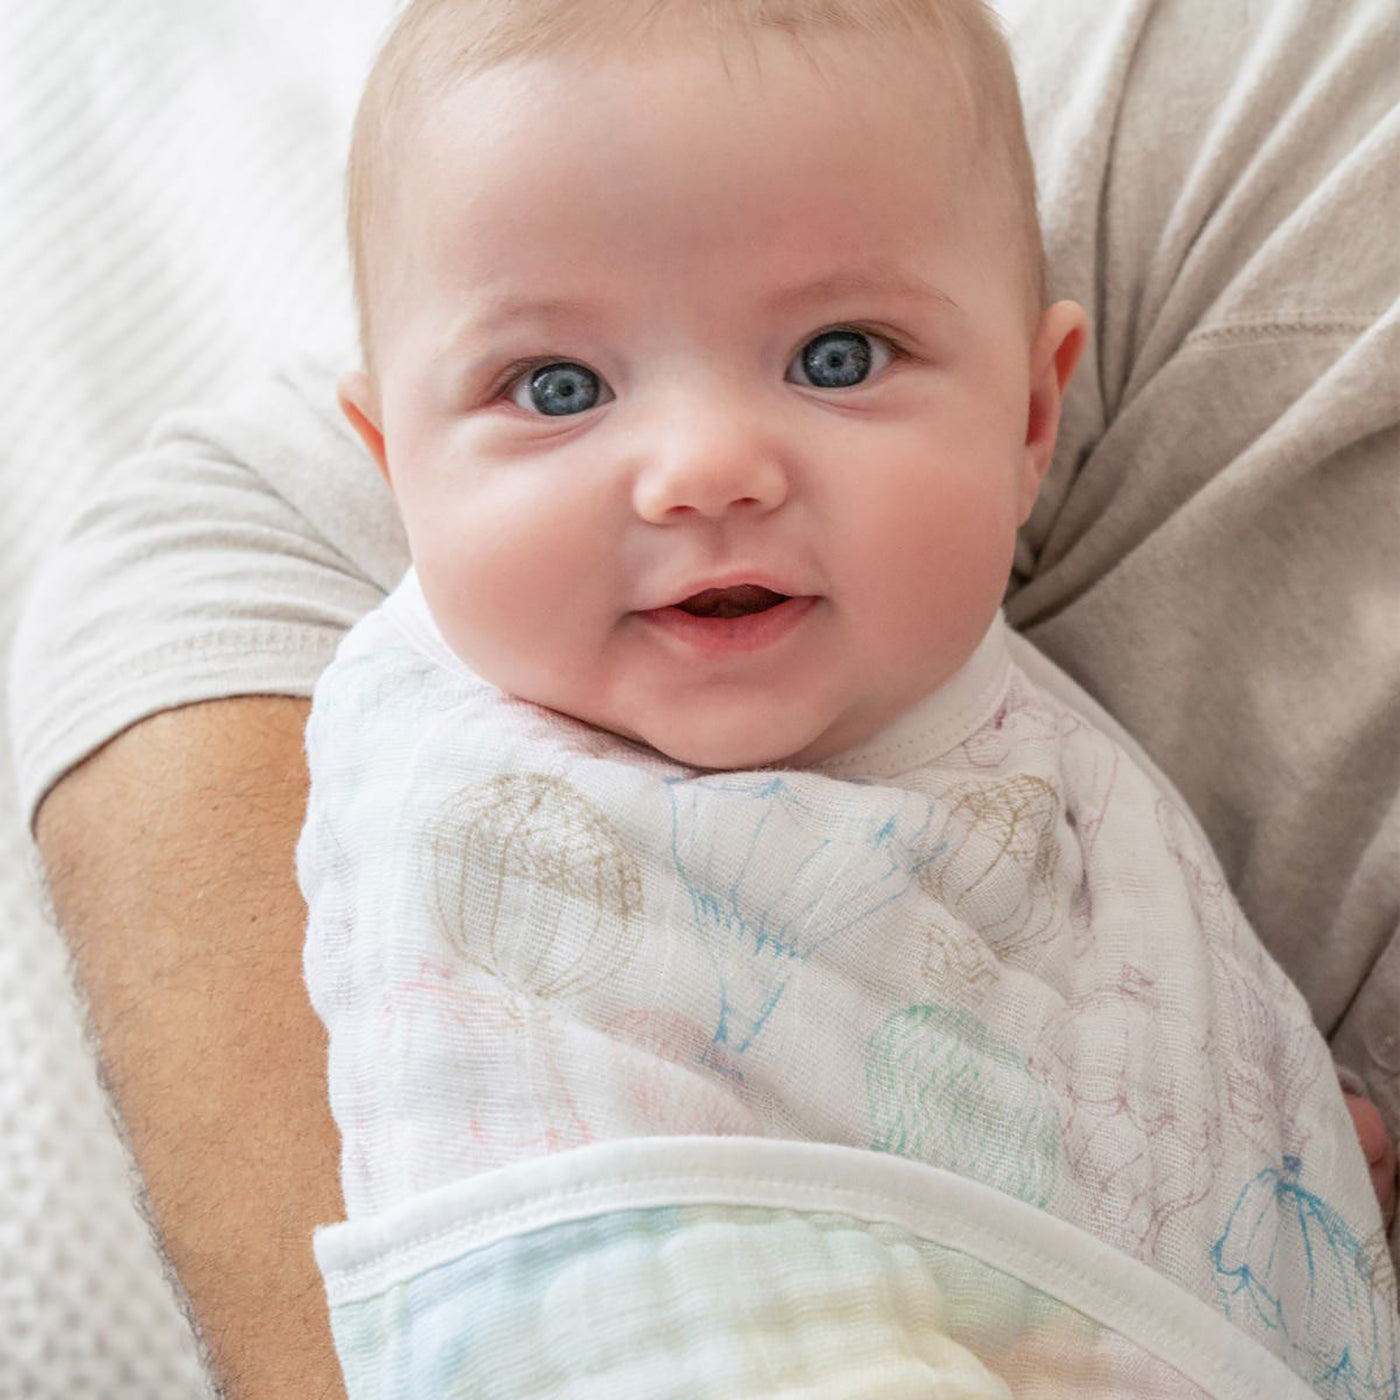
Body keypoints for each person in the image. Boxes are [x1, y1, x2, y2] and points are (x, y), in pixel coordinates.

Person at [10, 0, 1396, 1394]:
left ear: (1033, 417)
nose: (706, 467)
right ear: (392, 468)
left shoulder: (983, 715)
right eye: (556, 386)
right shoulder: (507, 861)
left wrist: (1251, 1152)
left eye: (836, 359)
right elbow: (621, 1327)